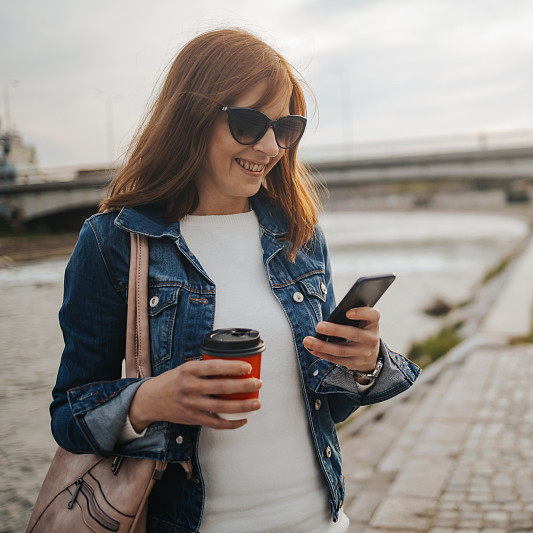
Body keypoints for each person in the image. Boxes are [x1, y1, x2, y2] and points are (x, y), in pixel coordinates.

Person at [48, 28, 421, 532]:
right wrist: (153, 399)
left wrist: (363, 365)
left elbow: (328, 410)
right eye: (248, 123)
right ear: (191, 119)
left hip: (318, 521)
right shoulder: (111, 242)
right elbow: (70, 416)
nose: (269, 146)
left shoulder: (299, 235)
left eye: (285, 128)